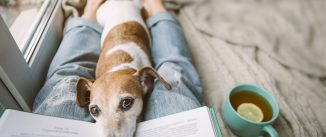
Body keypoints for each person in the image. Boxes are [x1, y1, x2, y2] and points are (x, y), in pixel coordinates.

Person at [33, 0, 202, 122]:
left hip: (131, 8)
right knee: (173, 66)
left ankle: (90, 11)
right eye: (95, 110)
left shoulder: (143, 79)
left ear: (147, 82)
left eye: (126, 103)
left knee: (67, 73)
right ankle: (156, 7)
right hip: (114, 11)